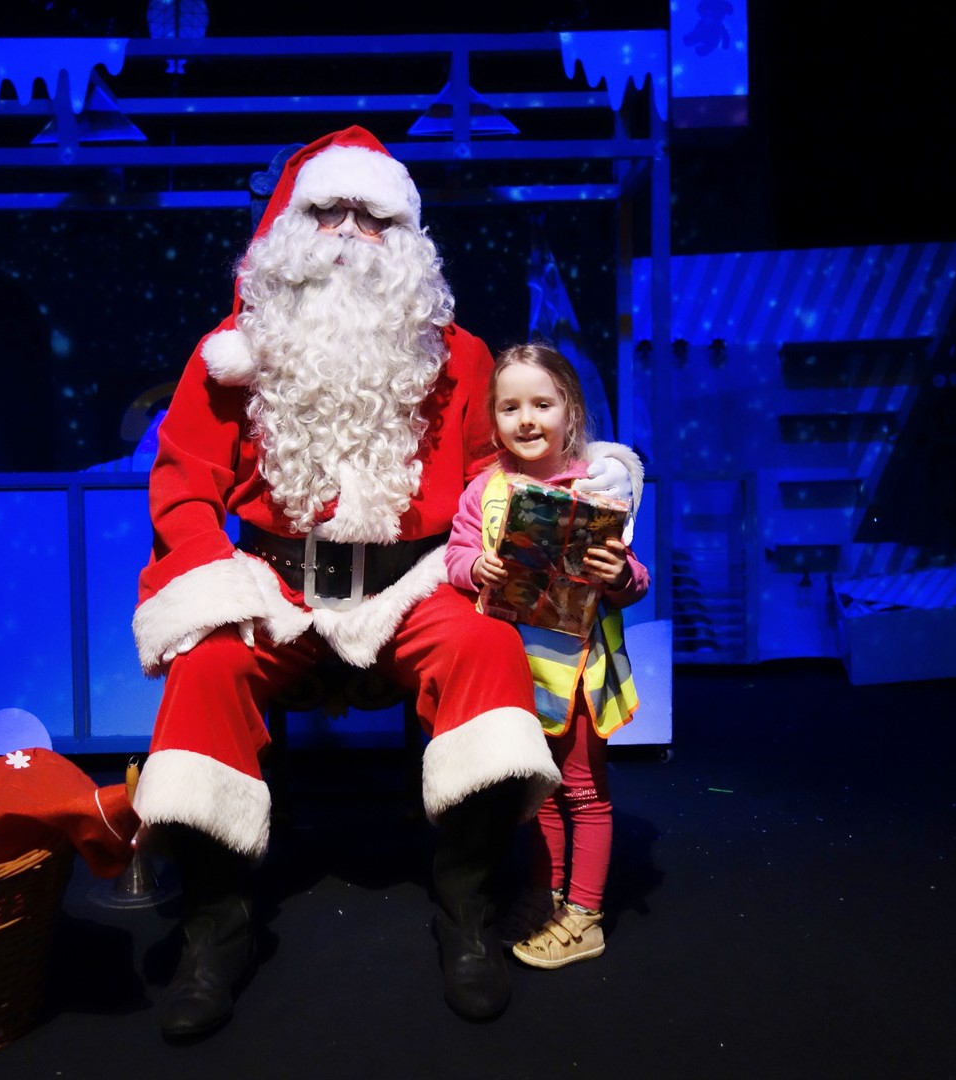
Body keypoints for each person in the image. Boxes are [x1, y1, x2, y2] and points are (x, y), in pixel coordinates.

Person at [129, 127, 635, 1036]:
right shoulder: (231, 352)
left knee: (486, 650)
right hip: (275, 586)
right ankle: (216, 935)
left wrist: (562, 507)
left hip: (415, 585)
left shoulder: (462, 356)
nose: (349, 234)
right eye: (329, 211)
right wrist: (214, 583)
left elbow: (492, 473)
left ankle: (468, 915)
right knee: (205, 672)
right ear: (292, 226)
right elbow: (183, 483)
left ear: (407, 237)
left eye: (374, 216)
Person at [444, 342, 649, 970]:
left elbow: (636, 578)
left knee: (583, 791)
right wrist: (474, 568)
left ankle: (584, 913)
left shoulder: (599, 487)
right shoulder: (485, 489)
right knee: (537, 792)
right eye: (510, 407)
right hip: (516, 669)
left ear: (571, 411)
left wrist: (619, 575)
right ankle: (548, 893)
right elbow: (455, 554)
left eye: (542, 404)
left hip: (579, 670)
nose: (526, 419)